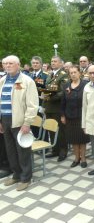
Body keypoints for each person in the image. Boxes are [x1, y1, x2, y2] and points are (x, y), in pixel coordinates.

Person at [0, 55, 39, 191]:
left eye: (11, 63)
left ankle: (26, 178)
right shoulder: (3, 80)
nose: (7, 66)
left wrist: (27, 123)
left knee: (22, 150)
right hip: (5, 120)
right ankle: (16, 174)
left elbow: (32, 105)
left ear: (18, 65)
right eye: (5, 64)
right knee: (10, 150)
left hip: (20, 121)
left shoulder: (27, 81)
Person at [61, 65, 89, 168]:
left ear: (79, 73)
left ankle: (83, 158)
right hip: (70, 116)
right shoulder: (66, 85)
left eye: (75, 72)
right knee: (73, 139)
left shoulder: (85, 85)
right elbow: (63, 102)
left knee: (82, 139)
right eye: (71, 73)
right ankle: (76, 158)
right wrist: (63, 115)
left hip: (82, 116)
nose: (73, 74)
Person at [43, 56, 69, 162]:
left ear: (61, 63)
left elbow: (63, 92)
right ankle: (55, 149)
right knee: (51, 130)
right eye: (52, 61)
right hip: (49, 107)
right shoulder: (50, 74)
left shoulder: (63, 75)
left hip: (57, 107)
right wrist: (43, 94)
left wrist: (50, 97)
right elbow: (47, 88)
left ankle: (63, 151)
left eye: (55, 61)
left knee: (61, 131)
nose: (53, 63)